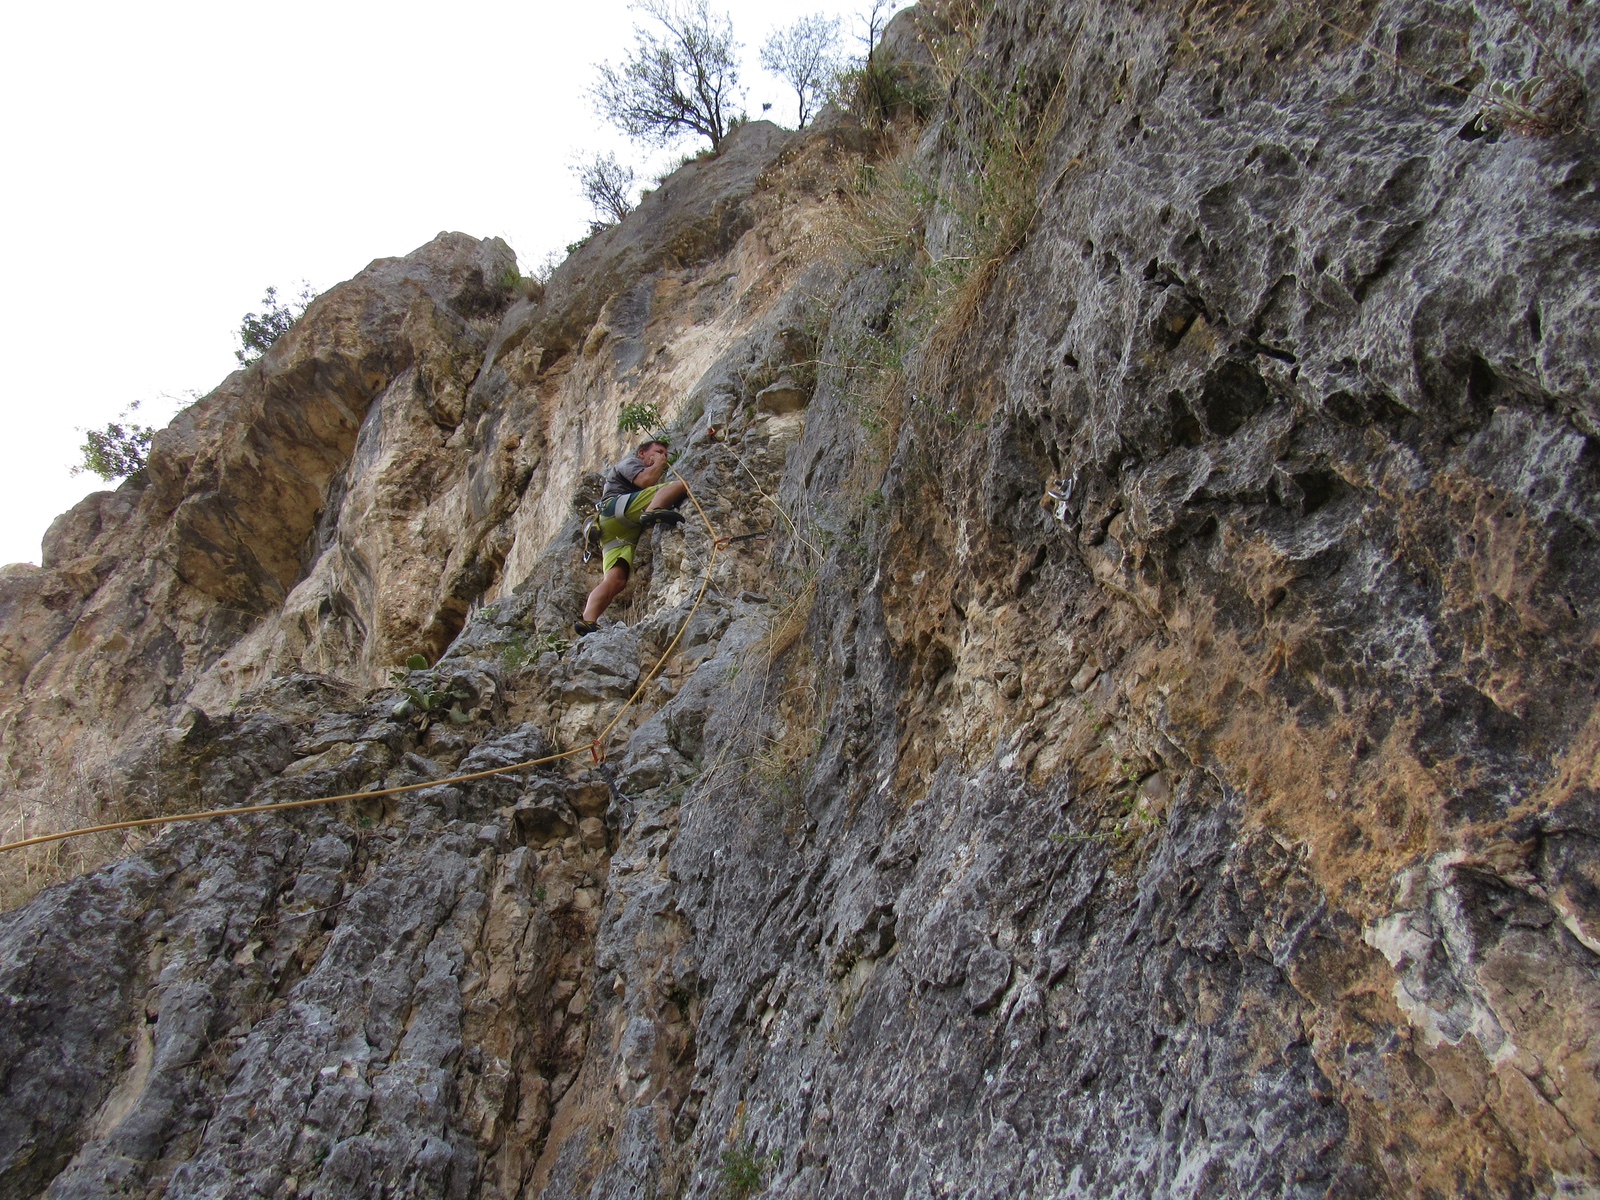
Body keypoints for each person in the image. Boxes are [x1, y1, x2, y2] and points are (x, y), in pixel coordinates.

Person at [576, 439, 688, 636]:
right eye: (658, 451)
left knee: (616, 580)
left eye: (664, 454)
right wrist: (659, 464)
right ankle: (653, 510)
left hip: (615, 529)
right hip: (616, 510)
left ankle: (588, 620)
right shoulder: (629, 463)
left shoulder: (639, 466)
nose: (662, 456)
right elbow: (646, 481)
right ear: (642, 453)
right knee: (681, 484)